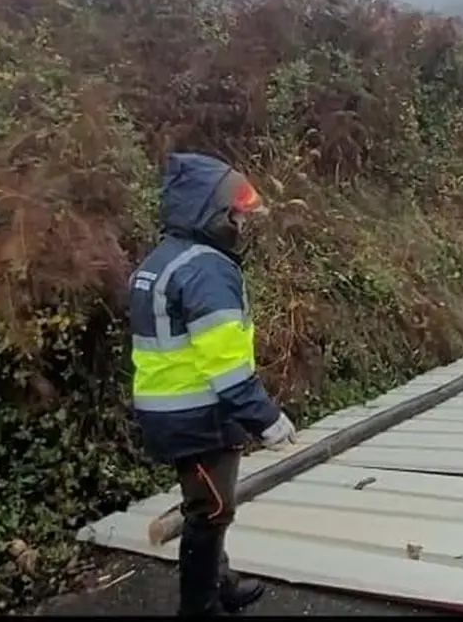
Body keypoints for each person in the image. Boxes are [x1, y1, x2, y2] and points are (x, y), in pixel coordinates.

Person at [128, 152, 299, 617]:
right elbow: (225, 367)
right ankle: (199, 606)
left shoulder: (165, 258)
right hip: (197, 416)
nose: (242, 225)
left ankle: (220, 582)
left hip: (170, 410)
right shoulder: (206, 270)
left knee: (205, 501)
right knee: (212, 509)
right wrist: (267, 419)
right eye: (237, 215)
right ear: (212, 212)